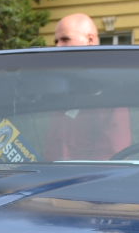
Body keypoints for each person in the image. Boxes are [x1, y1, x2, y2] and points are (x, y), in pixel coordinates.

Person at [44, 12, 129, 159]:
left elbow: (115, 158)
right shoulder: (59, 90)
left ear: (90, 40)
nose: (57, 46)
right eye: (56, 41)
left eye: (65, 39)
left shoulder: (111, 91)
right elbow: (52, 151)